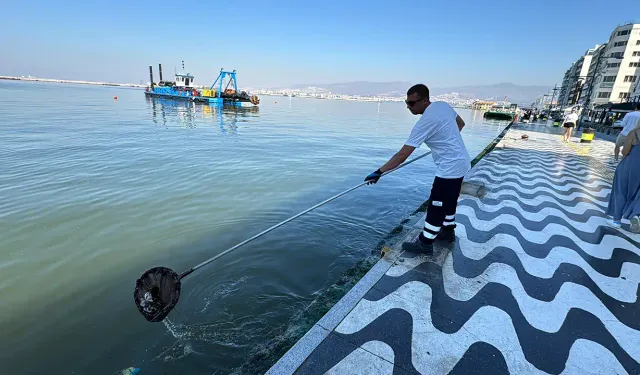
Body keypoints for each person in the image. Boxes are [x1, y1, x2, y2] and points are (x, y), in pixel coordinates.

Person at [364, 84, 470, 254]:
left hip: (449, 168)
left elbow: (402, 154)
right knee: (449, 200)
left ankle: (425, 243)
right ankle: (447, 232)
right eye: (406, 102)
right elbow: (461, 124)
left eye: (411, 103)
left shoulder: (425, 122)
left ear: (425, 100)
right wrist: (444, 141)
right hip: (462, 162)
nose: (408, 106)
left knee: (437, 204)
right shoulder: (442, 105)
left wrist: (379, 172)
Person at [607, 122, 640, 233]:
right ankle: (636, 214)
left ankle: (616, 221)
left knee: (621, 191)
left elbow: (625, 151)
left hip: (629, 166)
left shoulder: (634, 133)